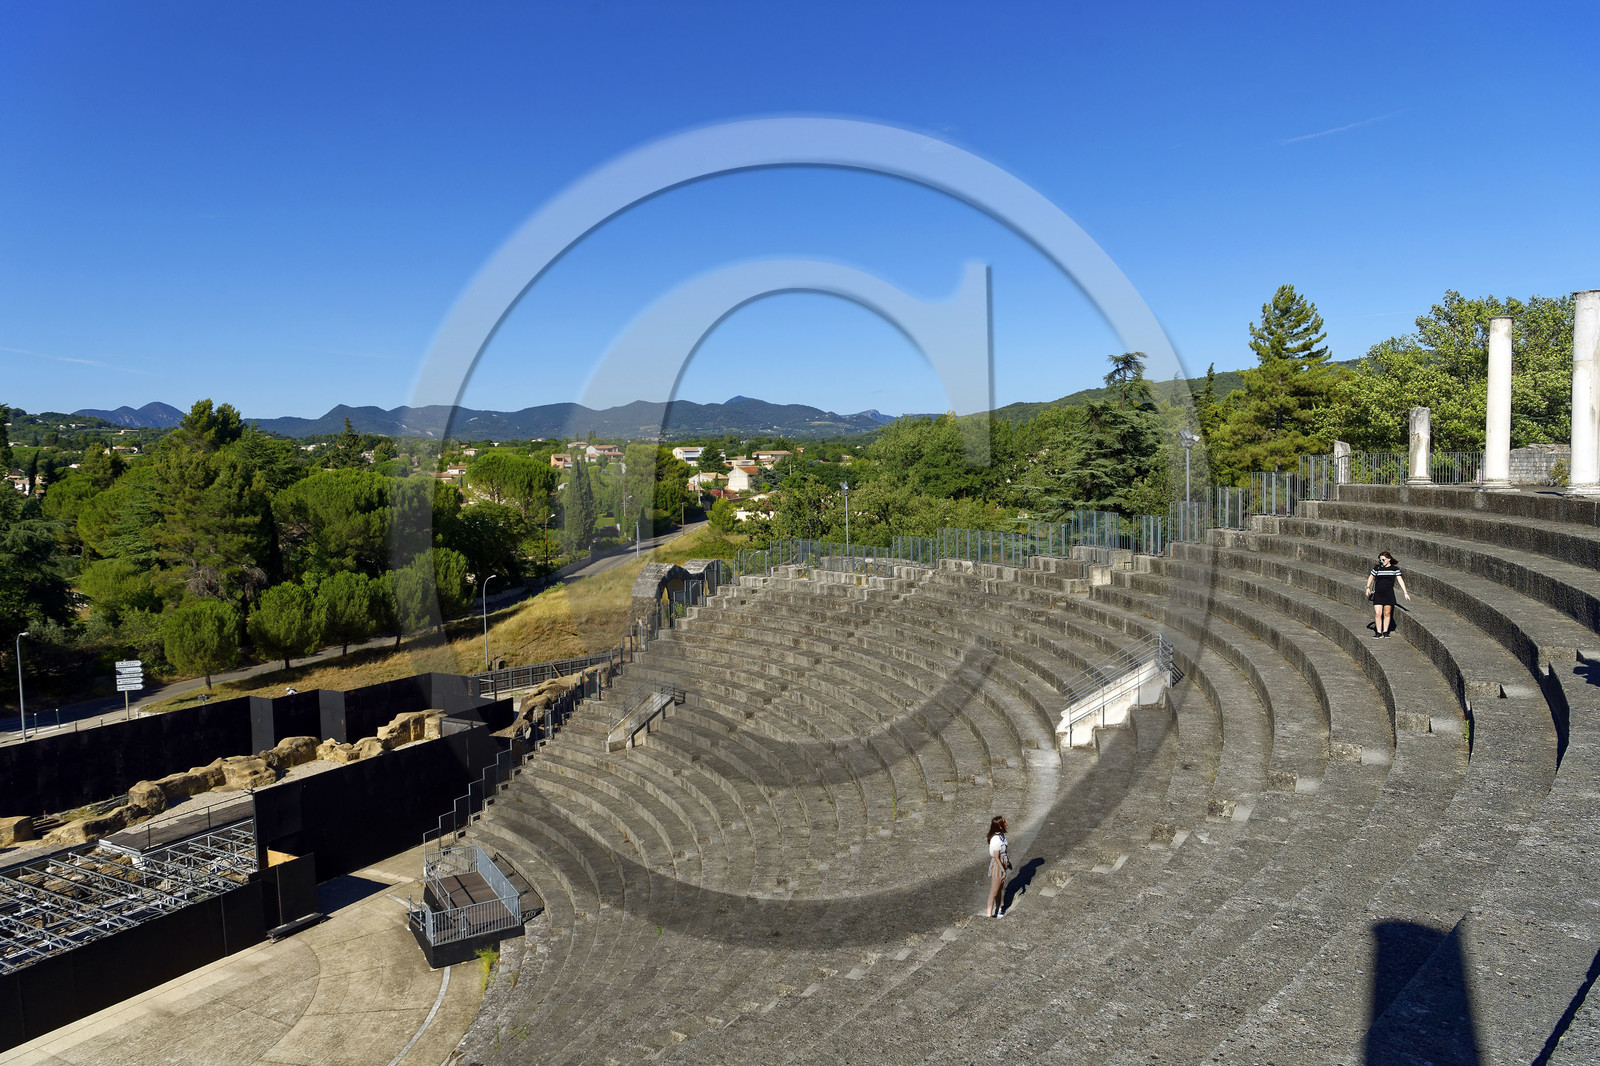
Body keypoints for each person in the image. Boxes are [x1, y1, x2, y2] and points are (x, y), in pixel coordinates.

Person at [1365, 550, 1410, 638]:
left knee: (1387, 613)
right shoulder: (1377, 568)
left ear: (1389, 559)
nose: (1382, 562)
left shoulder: (1394, 569)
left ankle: (1385, 631)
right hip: (1378, 593)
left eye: (1383, 560)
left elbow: (1400, 580)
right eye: (1380, 560)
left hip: (1388, 594)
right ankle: (1378, 632)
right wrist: (1367, 587)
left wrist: (1405, 592)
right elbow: (1371, 577)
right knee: (1378, 613)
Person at [985, 815, 1011, 917]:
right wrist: (1003, 871)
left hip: (1002, 863)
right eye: (1004, 822)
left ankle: (999, 909)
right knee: (994, 891)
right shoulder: (996, 839)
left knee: (999, 889)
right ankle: (988, 914)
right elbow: (996, 856)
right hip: (997, 865)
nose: (1006, 822)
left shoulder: (1001, 835)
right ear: (1000, 826)